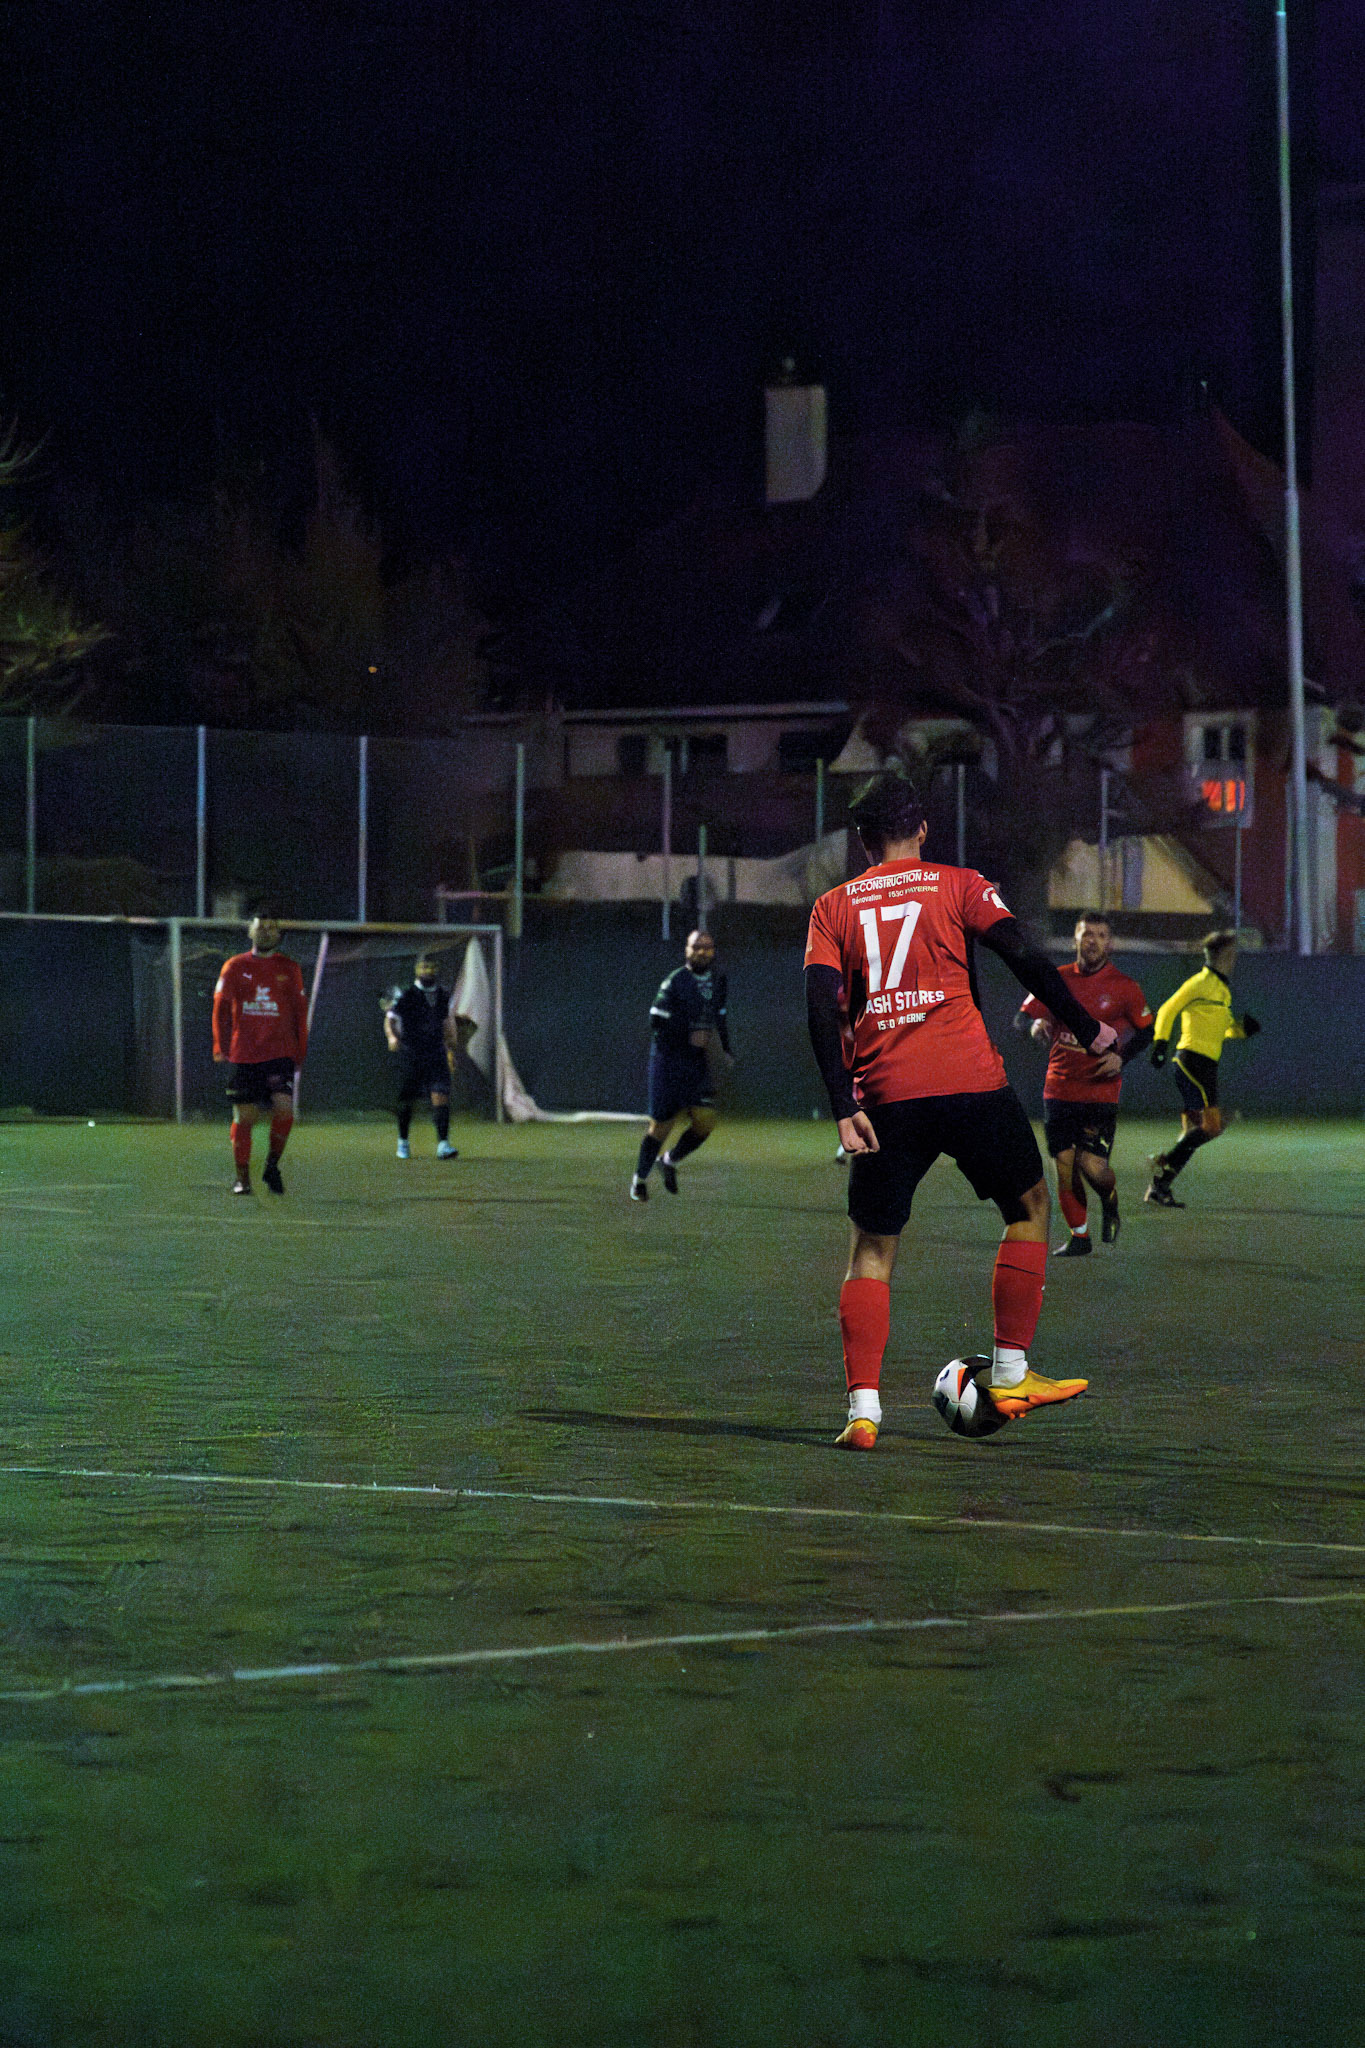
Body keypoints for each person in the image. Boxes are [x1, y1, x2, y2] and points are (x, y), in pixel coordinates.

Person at [804, 771, 1120, 1449]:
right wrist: (1085, 1027)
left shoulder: (831, 908)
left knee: (870, 1249)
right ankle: (1009, 1371)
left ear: (862, 842)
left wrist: (840, 1104)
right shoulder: (958, 884)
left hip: (886, 1096)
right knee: (1030, 1204)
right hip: (970, 1081)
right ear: (921, 830)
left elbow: (817, 1008)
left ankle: (863, 1412)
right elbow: (1024, 957)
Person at [1014, 911, 1154, 1256]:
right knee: (1064, 1168)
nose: (1093, 941)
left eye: (1101, 935)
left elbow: (1147, 1031)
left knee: (1092, 1168)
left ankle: (1109, 1200)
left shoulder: (1125, 987)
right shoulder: (1056, 980)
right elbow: (1022, 1016)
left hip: (1100, 1091)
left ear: (1111, 943)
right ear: (1075, 938)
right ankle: (1080, 1237)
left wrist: (1121, 1057)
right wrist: (1033, 1027)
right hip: (1059, 1089)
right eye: (1086, 933)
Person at [1145, 929, 1260, 1207]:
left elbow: (1222, 1029)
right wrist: (1160, 1043)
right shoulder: (1199, 983)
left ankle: (1160, 1187)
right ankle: (1162, 1167)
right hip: (1191, 1063)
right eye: (1233, 954)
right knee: (1211, 1126)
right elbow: (1168, 1009)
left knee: (1195, 1134)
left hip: (1205, 1066)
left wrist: (1241, 1030)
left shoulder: (1221, 990)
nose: (1235, 960)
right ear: (1224, 955)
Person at [630, 928, 734, 1201]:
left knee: (705, 1122)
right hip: (668, 1062)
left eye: (707, 947)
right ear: (686, 950)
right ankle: (639, 1180)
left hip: (695, 1063)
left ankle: (670, 1160)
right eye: (696, 947)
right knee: (660, 1127)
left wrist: (726, 1048)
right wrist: (687, 1032)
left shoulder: (718, 981)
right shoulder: (675, 982)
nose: (701, 952)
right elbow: (656, 1019)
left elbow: (719, 1016)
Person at [212, 909, 309, 1196]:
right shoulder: (234, 966)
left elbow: (299, 1013)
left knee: (284, 1110)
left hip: (279, 1054)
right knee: (245, 1118)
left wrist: (299, 1050)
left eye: (271, 927)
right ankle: (242, 1178)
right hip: (245, 1054)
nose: (265, 931)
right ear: (250, 932)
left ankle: (271, 1165)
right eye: (260, 927)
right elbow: (220, 1009)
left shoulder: (290, 969)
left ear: (278, 934)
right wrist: (220, 1045)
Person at [384, 954, 459, 1160]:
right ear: (417, 969)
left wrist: (451, 1049)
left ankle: (443, 1144)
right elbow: (389, 1019)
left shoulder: (443, 995)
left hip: (436, 1053)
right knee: (407, 1101)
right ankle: (403, 1142)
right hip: (411, 1054)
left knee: (440, 1096)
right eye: (423, 966)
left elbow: (447, 1023)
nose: (427, 970)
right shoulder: (406, 994)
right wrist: (392, 1038)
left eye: (431, 966)